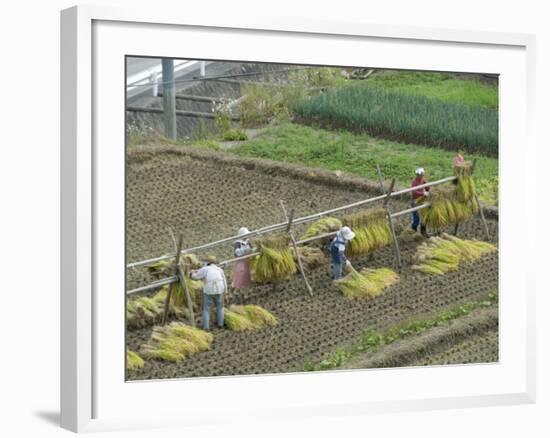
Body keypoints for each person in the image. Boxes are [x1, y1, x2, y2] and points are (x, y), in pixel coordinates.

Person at [191, 255, 227, 331]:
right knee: (220, 307)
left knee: (206, 308)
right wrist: (226, 293)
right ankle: (221, 324)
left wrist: (191, 274)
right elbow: (224, 281)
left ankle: (206, 327)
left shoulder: (205, 269)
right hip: (220, 289)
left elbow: (196, 277)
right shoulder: (219, 269)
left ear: (208, 263)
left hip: (209, 289)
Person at [411, 167, 429, 237]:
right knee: (416, 218)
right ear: (416, 175)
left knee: (424, 217)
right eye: (418, 175)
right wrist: (423, 194)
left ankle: (423, 231)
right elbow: (414, 192)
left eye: (421, 175)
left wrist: (428, 190)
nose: (420, 176)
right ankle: (413, 230)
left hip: (422, 201)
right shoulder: (414, 182)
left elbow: (427, 188)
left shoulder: (423, 181)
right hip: (415, 201)